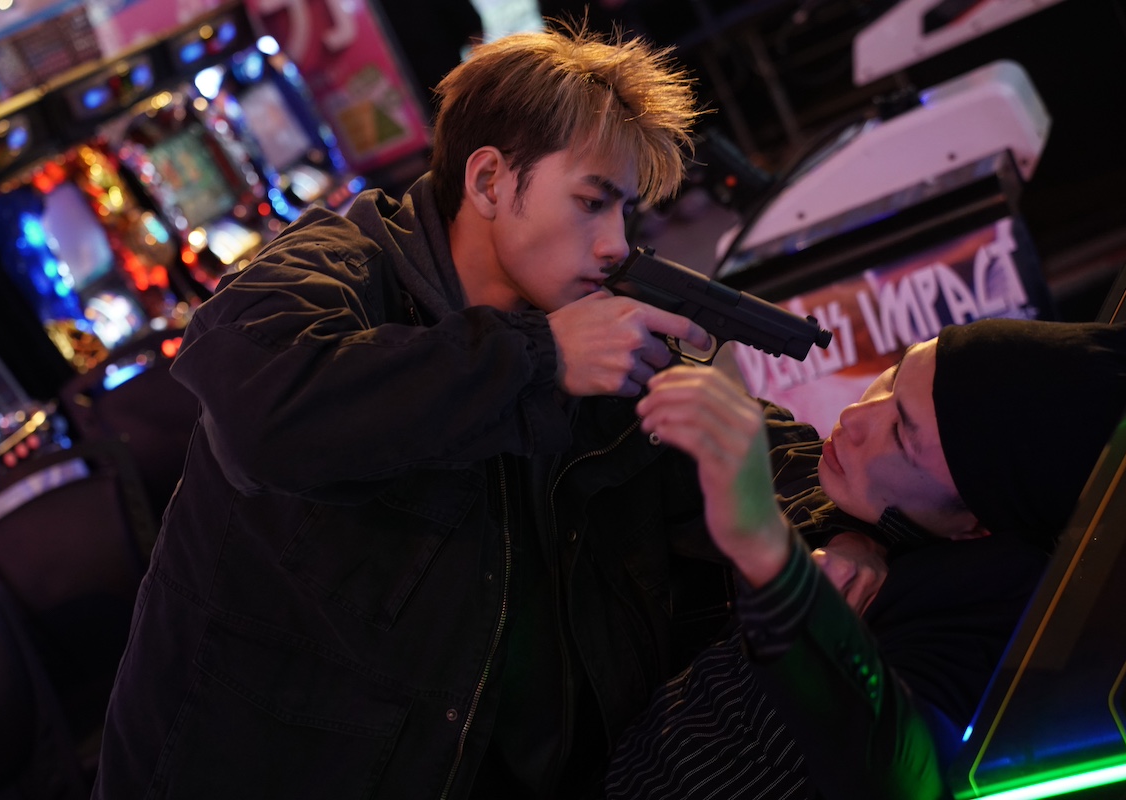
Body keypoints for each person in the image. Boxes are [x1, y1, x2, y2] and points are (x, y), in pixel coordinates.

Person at [91, 25, 726, 800]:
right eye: (592, 204)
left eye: (623, 211)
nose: (615, 245)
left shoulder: (574, 327)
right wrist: (540, 357)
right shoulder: (328, 266)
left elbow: (734, 446)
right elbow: (269, 417)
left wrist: (840, 530)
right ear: (489, 181)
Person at [605, 318, 1126, 800]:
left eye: (901, 434)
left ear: (977, 527)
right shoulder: (869, 507)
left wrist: (771, 559)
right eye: (892, 378)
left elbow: (903, 773)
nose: (855, 416)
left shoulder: (988, 611)